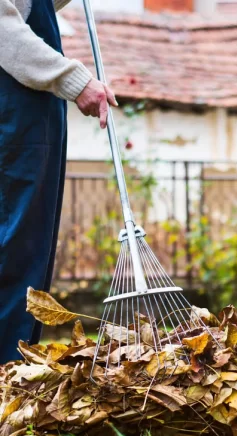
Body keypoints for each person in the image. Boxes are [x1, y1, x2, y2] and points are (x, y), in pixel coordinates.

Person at [0, 0, 117, 363]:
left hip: (33, 113)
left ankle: (14, 372)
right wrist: (73, 79)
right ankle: (5, 371)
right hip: (13, 113)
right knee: (13, 248)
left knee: (30, 248)